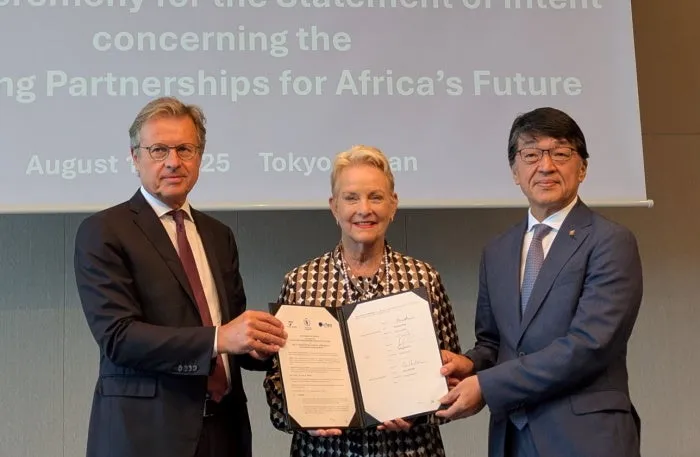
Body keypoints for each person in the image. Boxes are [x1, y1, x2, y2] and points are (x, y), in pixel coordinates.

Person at [74, 96, 287, 457]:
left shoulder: (218, 235)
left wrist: (263, 344)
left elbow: (233, 337)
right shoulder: (104, 231)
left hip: (225, 431)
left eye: (185, 149)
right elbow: (118, 337)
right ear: (135, 157)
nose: (173, 161)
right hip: (147, 436)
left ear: (199, 157)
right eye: (159, 150)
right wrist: (219, 338)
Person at [436, 107, 643, 457]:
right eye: (531, 154)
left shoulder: (610, 241)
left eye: (560, 153)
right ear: (515, 171)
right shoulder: (497, 251)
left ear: (583, 168)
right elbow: (494, 343)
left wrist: (486, 385)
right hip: (512, 438)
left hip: (586, 438)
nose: (545, 166)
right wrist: (470, 365)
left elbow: (589, 346)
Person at [263, 145, 461, 457]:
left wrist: (421, 412)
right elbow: (277, 381)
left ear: (393, 204)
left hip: (409, 449)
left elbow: (453, 378)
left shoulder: (424, 279)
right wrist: (301, 417)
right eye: (351, 197)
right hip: (323, 450)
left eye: (376, 197)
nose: (364, 209)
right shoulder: (300, 282)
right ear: (334, 207)